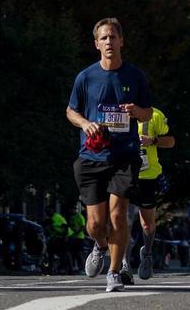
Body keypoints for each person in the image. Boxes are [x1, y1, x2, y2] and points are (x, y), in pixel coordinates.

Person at [66, 17, 153, 293]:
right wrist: (84, 123)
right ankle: (100, 245)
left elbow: (148, 111)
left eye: (113, 37)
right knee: (94, 223)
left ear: (121, 41)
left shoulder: (135, 76)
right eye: (103, 38)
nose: (109, 42)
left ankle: (114, 272)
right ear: (96, 44)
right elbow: (71, 111)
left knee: (118, 215)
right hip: (91, 156)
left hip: (123, 156)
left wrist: (138, 113)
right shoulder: (86, 77)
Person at [128, 106, 173, 281]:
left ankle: (146, 254)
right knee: (123, 220)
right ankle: (123, 265)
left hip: (148, 176)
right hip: (124, 174)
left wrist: (152, 141)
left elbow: (170, 141)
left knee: (147, 224)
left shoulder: (155, 114)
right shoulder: (116, 112)